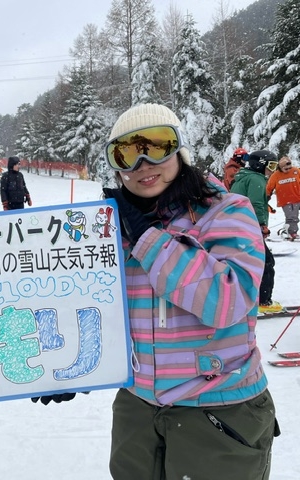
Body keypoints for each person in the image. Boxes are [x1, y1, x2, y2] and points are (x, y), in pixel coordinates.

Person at [91, 104, 277, 479]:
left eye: (156, 146)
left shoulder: (227, 211)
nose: (142, 163)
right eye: (126, 152)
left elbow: (229, 301)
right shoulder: (108, 229)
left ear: (180, 150)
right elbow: (90, 305)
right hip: (138, 408)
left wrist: (147, 238)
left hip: (219, 409)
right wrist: (59, 369)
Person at [231, 150, 282, 314]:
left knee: (247, 263)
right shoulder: (256, 179)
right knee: (266, 263)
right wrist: (261, 224)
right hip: (249, 227)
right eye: (271, 165)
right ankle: (263, 301)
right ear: (260, 164)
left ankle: (243, 297)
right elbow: (256, 203)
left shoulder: (242, 177)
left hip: (236, 226)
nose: (272, 170)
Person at [267, 156, 300, 241]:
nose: (288, 170)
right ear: (281, 167)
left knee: (295, 216)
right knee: (291, 216)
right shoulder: (276, 175)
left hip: (297, 198)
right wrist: (267, 196)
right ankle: (291, 232)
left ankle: (290, 231)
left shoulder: (296, 171)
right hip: (285, 200)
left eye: (290, 168)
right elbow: (269, 187)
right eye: (286, 169)